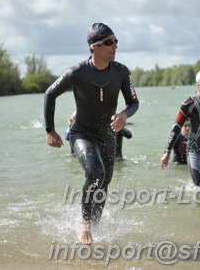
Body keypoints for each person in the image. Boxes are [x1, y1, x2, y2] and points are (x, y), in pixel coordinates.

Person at [44, 22, 139, 245]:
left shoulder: (121, 71)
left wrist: (125, 115)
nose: (115, 46)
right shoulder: (77, 72)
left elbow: (133, 102)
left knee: (104, 183)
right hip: (82, 133)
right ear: (94, 47)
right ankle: (85, 224)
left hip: (108, 136)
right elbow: (49, 94)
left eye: (116, 41)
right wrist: (50, 130)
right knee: (96, 174)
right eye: (109, 42)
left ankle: (96, 226)